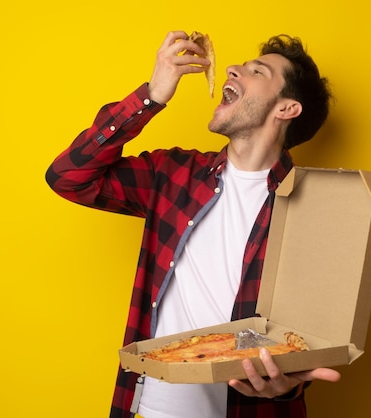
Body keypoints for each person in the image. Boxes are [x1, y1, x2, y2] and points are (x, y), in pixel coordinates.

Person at [46, 30, 341, 418]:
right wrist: (150, 96)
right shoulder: (172, 174)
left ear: (286, 109)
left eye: (257, 71)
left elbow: (309, 338)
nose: (233, 69)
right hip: (153, 408)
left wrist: (289, 385)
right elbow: (68, 176)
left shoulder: (316, 211)